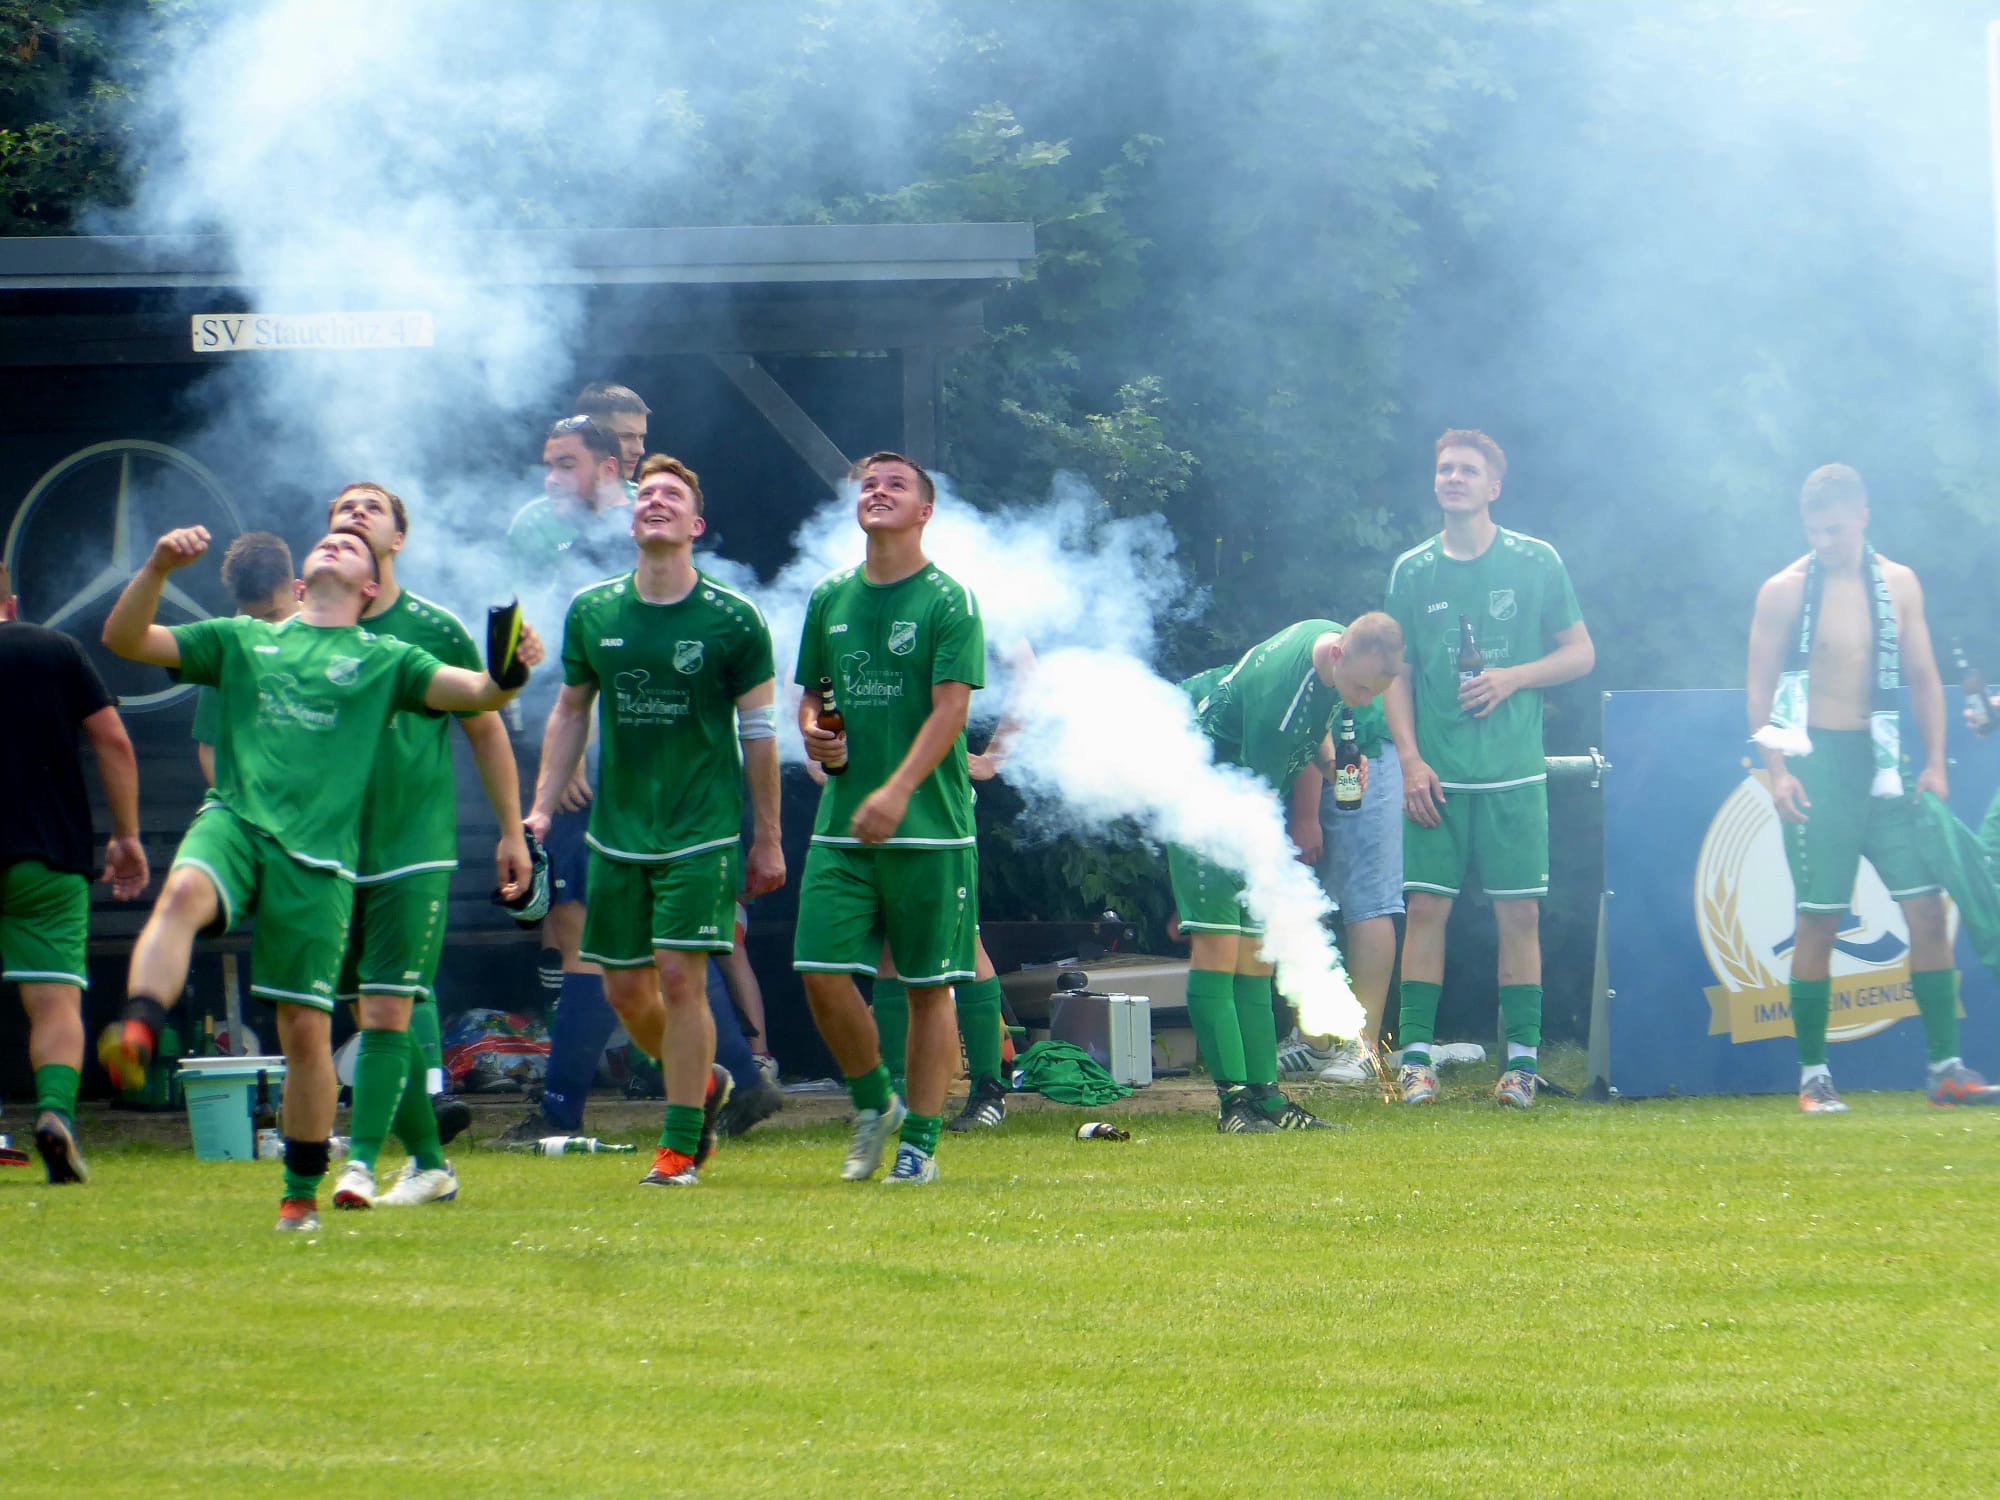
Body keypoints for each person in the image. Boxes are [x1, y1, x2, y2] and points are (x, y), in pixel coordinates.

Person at [97, 525, 537, 1230]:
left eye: (355, 545)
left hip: (322, 862)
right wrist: (154, 566)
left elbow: (481, 693)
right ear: (299, 584)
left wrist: (511, 668)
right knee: (180, 892)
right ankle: (140, 1029)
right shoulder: (242, 639)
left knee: (304, 1031)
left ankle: (300, 1193)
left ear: (370, 589)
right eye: (329, 537)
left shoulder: (387, 658)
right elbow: (125, 639)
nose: (337, 542)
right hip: (238, 820)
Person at [528, 454, 784, 1186]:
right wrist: (542, 807)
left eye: (674, 496)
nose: (657, 503)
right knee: (624, 993)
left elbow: (760, 737)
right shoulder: (594, 610)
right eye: (648, 497)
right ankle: (700, 1084)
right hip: (616, 834)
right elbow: (572, 709)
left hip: (700, 832)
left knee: (678, 977)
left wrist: (764, 839)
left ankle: (678, 1146)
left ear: (695, 526)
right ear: (633, 523)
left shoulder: (733, 618)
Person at [316, 483, 535, 1209]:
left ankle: (358, 1166)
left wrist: (512, 830)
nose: (353, 516)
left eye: (370, 508)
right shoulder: (302, 630)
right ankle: (432, 1165)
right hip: (328, 851)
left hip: (412, 848)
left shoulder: (431, 626)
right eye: (341, 510)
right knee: (374, 1017)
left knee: (388, 1012)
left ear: (397, 541)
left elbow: (486, 722)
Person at [1747, 463, 1990, 1111]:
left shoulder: (1900, 584)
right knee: (1818, 921)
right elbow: (1760, 686)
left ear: (1863, 517)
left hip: (1885, 765)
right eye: (1813, 530)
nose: (1824, 540)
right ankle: (1813, 1077)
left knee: (1928, 911)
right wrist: (1777, 771)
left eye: (1835, 527)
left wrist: (1935, 763)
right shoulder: (1784, 590)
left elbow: (1924, 674)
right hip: (1815, 762)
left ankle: (1945, 1069)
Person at [1383, 428, 1594, 1109]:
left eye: (1468, 470)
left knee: (1521, 917)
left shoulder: (1536, 562)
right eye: (1445, 468)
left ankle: (1521, 1068)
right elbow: (1396, 672)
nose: (1453, 478)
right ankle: (1414, 1064)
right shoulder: (1413, 570)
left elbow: (1580, 653)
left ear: (1493, 486)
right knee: (1424, 910)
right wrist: (1410, 761)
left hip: (1512, 773)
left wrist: (1513, 678)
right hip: (1435, 776)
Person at [794, 451, 984, 1185]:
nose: (877, 491)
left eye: (895, 485)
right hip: (842, 822)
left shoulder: (948, 599)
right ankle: (877, 1102)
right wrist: (812, 727)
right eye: (869, 484)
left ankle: (922, 1143)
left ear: (925, 513)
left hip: (931, 826)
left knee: (927, 985)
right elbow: (812, 695)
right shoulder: (830, 597)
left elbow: (953, 711)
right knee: (819, 973)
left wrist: (899, 788)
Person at [1172, 615, 1404, 1132]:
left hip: (1246, 797)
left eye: (1376, 692)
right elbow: (1257, 790)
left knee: (1257, 958)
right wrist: (1279, 882)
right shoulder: (1283, 702)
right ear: (1341, 656)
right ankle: (1234, 1103)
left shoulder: (1330, 642)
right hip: (1204, 797)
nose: (1364, 702)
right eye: (1362, 689)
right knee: (1220, 948)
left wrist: (1328, 764)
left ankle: (1268, 1099)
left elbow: (1314, 724)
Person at [494, 416, 635, 1147]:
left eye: (565, 464)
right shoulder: (551, 536)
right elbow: (526, 645)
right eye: (546, 464)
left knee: (624, 939)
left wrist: (577, 754)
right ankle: (731, 1078)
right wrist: (549, 750)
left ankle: (728, 1075)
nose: (550, 478)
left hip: (631, 771)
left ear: (607, 469)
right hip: (580, 766)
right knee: (589, 931)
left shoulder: (641, 529)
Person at [0, 562, 149, 1183]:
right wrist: (126, 836)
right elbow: (113, 742)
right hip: (47, 856)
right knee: (56, 1003)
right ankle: (55, 1115)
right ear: (9, 599)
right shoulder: (55, 649)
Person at [1295, 695, 1401, 1084]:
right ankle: (1314, 1042)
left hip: (1363, 748)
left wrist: (1306, 816)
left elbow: (1312, 721)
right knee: (1304, 903)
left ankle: (1364, 1046)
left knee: (1368, 899)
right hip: (1312, 762)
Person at [192, 532, 297, 786]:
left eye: (273, 615)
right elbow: (209, 749)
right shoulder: (231, 649)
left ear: (297, 588)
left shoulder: (333, 639)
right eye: (253, 619)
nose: (263, 629)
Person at [573, 381, 650, 485]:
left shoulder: (644, 500)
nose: (640, 450)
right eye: (625, 436)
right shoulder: (552, 500)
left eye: (641, 437)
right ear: (587, 437)